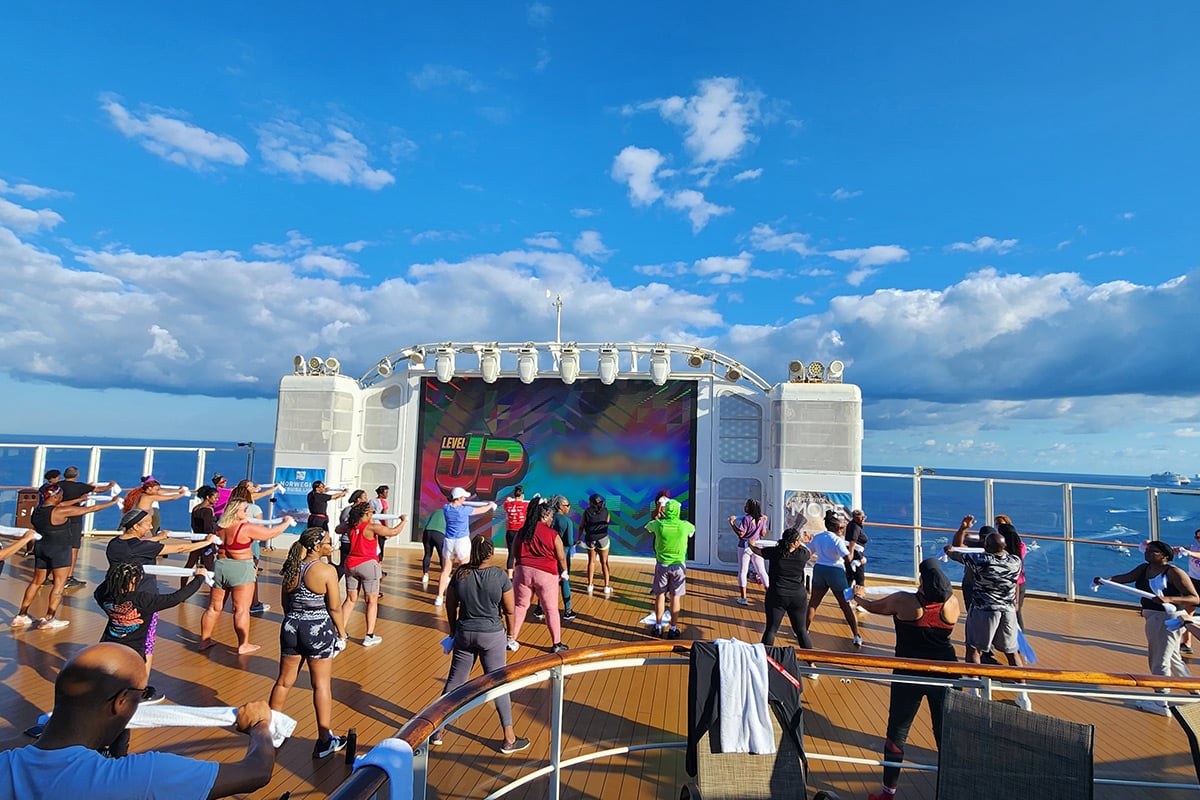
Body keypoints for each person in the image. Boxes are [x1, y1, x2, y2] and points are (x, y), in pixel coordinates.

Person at [0, 642, 276, 799]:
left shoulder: (6, 765)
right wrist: (260, 725)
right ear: (121, 701)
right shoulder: (143, 776)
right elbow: (256, 772)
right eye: (141, 695)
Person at [854, 558, 960, 800]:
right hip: (946, 673)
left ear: (922, 582)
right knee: (946, 733)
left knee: (898, 732)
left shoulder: (905, 601)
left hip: (908, 672)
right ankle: (953, 789)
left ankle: (888, 792)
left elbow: (873, 607)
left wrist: (858, 596)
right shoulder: (952, 602)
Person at [433, 537, 530, 753]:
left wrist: (453, 630)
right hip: (492, 635)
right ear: (491, 553)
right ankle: (509, 738)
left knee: (454, 682)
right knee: (498, 683)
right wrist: (511, 634)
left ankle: (438, 729)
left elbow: (451, 606)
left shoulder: (460, 574)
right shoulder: (499, 575)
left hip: (465, 633)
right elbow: (510, 609)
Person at [106, 507, 217, 691]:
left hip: (117, 598)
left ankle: (115, 679)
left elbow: (138, 546)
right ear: (135, 526)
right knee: (146, 645)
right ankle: (140, 687)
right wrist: (207, 541)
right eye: (148, 524)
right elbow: (181, 548)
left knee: (120, 638)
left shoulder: (114, 544)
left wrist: (159, 537)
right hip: (144, 599)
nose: (151, 527)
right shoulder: (140, 547)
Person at [269, 527, 350, 758]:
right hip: (317, 630)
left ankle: (270, 734)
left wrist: (294, 619)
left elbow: (286, 603)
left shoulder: (292, 568)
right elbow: (334, 606)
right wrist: (342, 633)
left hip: (291, 626)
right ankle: (324, 741)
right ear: (316, 546)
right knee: (321, 685)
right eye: (327, 542)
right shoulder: (326, 571)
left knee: (284, 682)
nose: (331, 545)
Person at [1096, 539, 1198, 715]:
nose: (1148, 553)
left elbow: (1194, 598)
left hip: (1167, 618)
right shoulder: (1144, 569)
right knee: (1172, 657)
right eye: (1147, 550)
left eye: (1153, 552)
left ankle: (1161, 701)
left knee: (1158, 660)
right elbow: (1126, 578)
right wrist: (1105, 581)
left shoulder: (1174, 572)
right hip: (1154, 617)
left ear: (1165, 556)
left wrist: (1169, 599)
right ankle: (1194, 690)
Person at [95, 560, 207, 708]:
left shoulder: (105, 595)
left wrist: (113, 577)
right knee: (136, 675)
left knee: (113, 673)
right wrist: (199, 579)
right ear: (134, 581)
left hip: (109, 643)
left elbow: (97, 591)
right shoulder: (142, 600)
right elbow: (175, 598)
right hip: (133, 649)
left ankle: (107, 695)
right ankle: (137, 696)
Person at [946, 517, 1031, 710]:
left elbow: (956, 553)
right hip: (1008, 611)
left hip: (984, 610)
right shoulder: (1015, 562)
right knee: (1012, 653)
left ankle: (975, 690)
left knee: (974, 649)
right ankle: (1023, 695)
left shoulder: (980, 561)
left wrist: (949, 550)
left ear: (986, 546)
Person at [13, 484, 119, 630]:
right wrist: (112, 502)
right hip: (59, 550)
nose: (62, 497)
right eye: (60, 494)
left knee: (36, 582)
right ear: (55, 496)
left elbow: (62, 504)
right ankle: (49, 618)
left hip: (42, 547)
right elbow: (90, 509)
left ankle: (21, 615)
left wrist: (80, 498)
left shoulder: (38, 510)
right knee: (59, 584)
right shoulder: (59, 512)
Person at [198, 501, 294, 654]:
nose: (247, 511)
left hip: (221, 566)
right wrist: (286, 523)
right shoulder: (246, 528)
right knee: (241, 609)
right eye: (244, 509)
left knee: (214, 607)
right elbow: (270, 534)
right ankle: (243, 644)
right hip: (240, 568)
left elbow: (216, 546)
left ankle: (205, 640)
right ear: (236, 512)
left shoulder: (219, 527)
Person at [340, 502, 406, 646]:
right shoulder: (372, 527)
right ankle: (369, 635)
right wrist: (403, 521)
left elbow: (338, 529)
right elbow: (393, 532)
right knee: (371, 600)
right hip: (368, 565)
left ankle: (340, 633)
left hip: (351, 564)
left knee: (351, 599)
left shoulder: (351, 527)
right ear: (366, 514)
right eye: (371, 512)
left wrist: (348, 523)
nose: (372, 514)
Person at [509, 496, 569, 653]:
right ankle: (556, 643)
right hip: (546, 574)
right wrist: (564, 570)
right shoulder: (552, 534)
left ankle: (511, 638)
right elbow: (561, 556)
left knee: (520, 606)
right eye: (550, 516)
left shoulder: (522, 531)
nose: (551, 519)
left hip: (523, 572)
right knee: (551, 609)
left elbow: (515, 552)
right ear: (545, 515)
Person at [805, 510, 863, 648]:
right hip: (835, 571)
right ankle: (856, 635)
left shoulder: (818, 537)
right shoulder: (837, 540)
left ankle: (803, 630)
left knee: (813, 603)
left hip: (819, 569)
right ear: (836, 528)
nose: (842, 530)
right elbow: (848, 558)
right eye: (842, 528)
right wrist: (853, 548)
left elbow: (808, 552)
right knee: (844, 605)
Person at [435, 487, 497, 607]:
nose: (465, 498)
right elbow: (481, 510)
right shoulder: (463, 510)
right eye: (463, 497)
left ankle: (439, 597)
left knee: (446, 570)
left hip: (448, 542)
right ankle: (463, 596)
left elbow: (456, 504)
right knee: (464, 569)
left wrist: (460, 501)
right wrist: (490, 505)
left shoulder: (446, 508)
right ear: (458, 498)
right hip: (461, 542)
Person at [750, 526, 812, 647]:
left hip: (777, 594)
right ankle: (811, 662)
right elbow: (808, 552)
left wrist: (751, 545)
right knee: (801, 631)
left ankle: (766, 659)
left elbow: (758, 551)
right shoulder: (802, 554)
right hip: (797, 596)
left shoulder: (775, 552)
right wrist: (803, 542)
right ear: (794, 543)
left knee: (771, 629)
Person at [57, 465, 117, 589]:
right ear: (76, 475)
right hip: (74, 520)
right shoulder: (80, 487)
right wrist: (111, 485)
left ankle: (55, 575)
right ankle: (68, 577)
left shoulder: (58, 486)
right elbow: (100, 490)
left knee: (59, 547)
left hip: (58, 519)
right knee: (73, 548)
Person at [646, 496, 696, 640]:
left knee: (660, 595)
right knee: (675, 597)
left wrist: (659, 511)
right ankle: (673, 628)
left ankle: (658, 626)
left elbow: (648, 527)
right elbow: (692, 532)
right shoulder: (685, 525)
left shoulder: (659, 525)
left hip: (662, 565)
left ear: (666, 510)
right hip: (679, 566)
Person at [532, 495, 576, 621]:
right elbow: (569, 541)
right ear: (560, 507)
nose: (569, 507)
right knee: (565, 581)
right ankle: (568, 610)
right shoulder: (567, 521)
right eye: (567, 505)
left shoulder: (547, 518)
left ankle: (539, 608)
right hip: (563, 554)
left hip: (548, 554)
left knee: (544, 582)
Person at [729, 498, 770, 606]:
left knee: (743, 571)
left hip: (745, 545)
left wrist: (732, 524)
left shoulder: (746, 519)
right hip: (757, 545)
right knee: (761, 571)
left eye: (746, 506)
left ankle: (743, 597)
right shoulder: (761, 519)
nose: (745, 507)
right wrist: (764, 521)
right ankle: (769, 594)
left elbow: (741, 534)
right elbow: (763, 533)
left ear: (750, 508)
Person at [122, 476, 189, 534]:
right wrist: (183, 493)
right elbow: (172, 497)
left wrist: (178, 490)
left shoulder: (143, 494)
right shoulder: (149, 497)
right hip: (143, 522)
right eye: (157, 489)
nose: (158, 491)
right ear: (149, 488)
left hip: (142, 520)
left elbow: (162, 492)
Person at [994, 514, 1027, 627]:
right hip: (1021, 582)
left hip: (1009, 584)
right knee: (1017, 613)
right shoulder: (1021, 547)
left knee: (1008, 614)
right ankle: (1019, 640)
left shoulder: (1003, 553)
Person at [185, 486, 220, 586]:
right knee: (210, 567)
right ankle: (214, 590)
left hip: (196, 540)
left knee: (189, 564)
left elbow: (193, 525)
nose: (217, 500)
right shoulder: (208, 510)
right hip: (206, 542)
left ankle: (182, 587)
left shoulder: (196, 508)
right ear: (208, 497)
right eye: (215, 497)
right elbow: (209, 528)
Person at [1174, 528, 1200, 654]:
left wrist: (1188, 553)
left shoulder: (1193, 551)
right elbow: (1177, 549)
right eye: (1198, 537)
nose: (1199, 540)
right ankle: (1186, 643)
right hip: (1193, 583)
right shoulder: (1193, 547)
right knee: (1188, 613)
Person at [581, 493, 613, 594]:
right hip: (603, 538)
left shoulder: (586, 512)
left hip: (590, 539)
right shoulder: (606, 511)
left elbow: (582, 526)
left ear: (591, 502)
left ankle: (590, 585)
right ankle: (606, 586)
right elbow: (607, 522)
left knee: (591, 561)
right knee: (604, 562)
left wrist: (578, 538)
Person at [502, 485, 529, 578]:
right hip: (520, 532)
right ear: (522, 495)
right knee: (522, 554)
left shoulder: (507, 505)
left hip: (510, 532)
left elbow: (504, 506)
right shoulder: (526, 505)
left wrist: (508, 500)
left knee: (511, 554)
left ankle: (510, 577)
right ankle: (520, 574)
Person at [844, 509, 869, 610]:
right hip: (856, 558)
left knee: (849, 578)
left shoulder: (852, 525)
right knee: (859, 579)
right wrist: (859, 557)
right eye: (861, 518)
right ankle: (860, 603)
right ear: (855, 518)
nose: (863, 519)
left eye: (864, 517)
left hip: (852, 556)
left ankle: (846, 600)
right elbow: (852, 543)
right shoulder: (855, 527)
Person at [422, 506, 447, 586]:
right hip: (439, 534)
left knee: (427, 554)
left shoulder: (436, 511)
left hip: (427, 532)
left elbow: (426, 522)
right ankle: (444, 576)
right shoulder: (449, 513)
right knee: (442, 555)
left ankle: (425, 575)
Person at [370, 485, 391, 570]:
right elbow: (384, 517)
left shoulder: (371, 501)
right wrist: (387, 529)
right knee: (380, 547)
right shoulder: (383, 502)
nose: (387, 494)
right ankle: (379, 568)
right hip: (379, 527)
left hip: (371, 526)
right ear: (381, 494)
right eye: (386, 492)